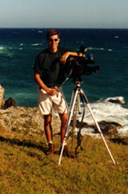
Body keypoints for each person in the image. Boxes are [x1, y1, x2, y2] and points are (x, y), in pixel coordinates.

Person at [34, 29, 83, 157]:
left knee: (65, 118)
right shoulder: (41, 56)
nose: (53, 42)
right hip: (45, 90)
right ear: (47, 41)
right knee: (48, 119)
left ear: (58, 40)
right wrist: (47, 89)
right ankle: (51, 145)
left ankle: (64, 146)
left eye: (55, 40)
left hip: (57, 90)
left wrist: (67, 53)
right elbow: (36, 76)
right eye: (51, 40)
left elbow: (81, 55)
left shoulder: (62, 51)